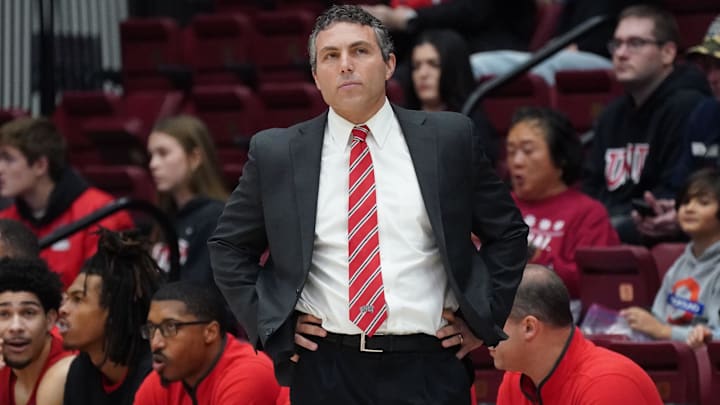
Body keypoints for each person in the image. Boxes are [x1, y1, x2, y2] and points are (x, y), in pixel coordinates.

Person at [209, 5, 528, 405]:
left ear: (390, 63)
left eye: (360, 51)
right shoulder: (277, 152)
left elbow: (508, 233)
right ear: (315, 76)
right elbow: (228, 246)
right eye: (330, 56)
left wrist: (483, 319)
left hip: (429, 365)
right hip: (325, 367)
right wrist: (270, 322)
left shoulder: (449, 139)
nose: (345, 65)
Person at [582, 5, 710, 244]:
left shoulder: (689, 107)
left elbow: (675, 190)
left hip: (654, 230)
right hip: (610, 223)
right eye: (617, 44)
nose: (621, 53)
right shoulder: (611, 114)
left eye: (635, 43)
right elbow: (591, 185)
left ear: (667, 53)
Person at [491, 264, 663, 404]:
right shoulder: (515, 380)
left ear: (529, 327)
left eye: (493, 323)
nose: (483, 336)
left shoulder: (608, 385)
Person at [506, 107, 619, 315]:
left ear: (560, 159)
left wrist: (536, 256)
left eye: (528, 151)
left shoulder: (588, 213)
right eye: (511, 152)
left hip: (556, 320)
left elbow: (595, 286)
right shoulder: (496, 205)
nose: (516, 162)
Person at [0, 117, 134, 287]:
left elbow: (102, 294)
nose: (0, 169)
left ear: (40, 165)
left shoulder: (102, 213)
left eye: (8, 159)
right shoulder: (6, 220)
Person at [133, 281, 285, 405]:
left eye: (171, 327)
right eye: (152, 329)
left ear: (210, 332)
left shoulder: (247, 375)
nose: (156, 343)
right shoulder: (166, 378)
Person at [58, 229, 163, 405]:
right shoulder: (80, 372)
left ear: (114, 311)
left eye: (77, 299)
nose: (63, 309)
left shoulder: (156, 375)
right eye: (66, 299)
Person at [639, 15, 720, 241]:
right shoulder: (706, 114)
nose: (713, 78)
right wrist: (672, 206)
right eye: (709, 67)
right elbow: (681, 183)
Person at [621, 168, 720, 342]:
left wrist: (665, 332)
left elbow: (717, 336)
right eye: (685, 202)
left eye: (703, 203)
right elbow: (659, 318)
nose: (689, 208)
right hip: (669, 358)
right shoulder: (680, 264)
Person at [147, 115, 228, 283]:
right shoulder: (164, 217)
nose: (153, 164)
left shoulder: (217, 218)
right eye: (151, 155)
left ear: (194, 158)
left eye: (163, 153)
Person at [405, 29, 498, 162]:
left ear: (453, 68)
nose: (423, 74)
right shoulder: (398, 121)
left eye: (434, 64)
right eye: (416, 66)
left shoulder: (471, 124)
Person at [0, 258, 74, 405]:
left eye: (28, 313)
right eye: (4, 314)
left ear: (50, 320)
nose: (16, 327)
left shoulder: (66, 372)